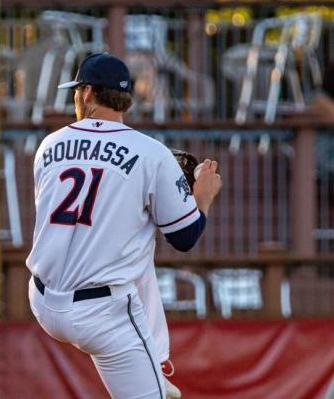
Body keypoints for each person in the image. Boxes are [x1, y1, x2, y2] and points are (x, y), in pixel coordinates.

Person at [26, 53, 222, 398]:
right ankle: (153, 365)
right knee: (140, 239)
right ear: (126, 100)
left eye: (75, 91)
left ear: (86, 93)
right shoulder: (151, 153)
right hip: (103, 315)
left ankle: (153, 360)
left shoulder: (49, 145)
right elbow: (185, 237)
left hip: (43, 299)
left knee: (134, 240)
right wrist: (200, 198)